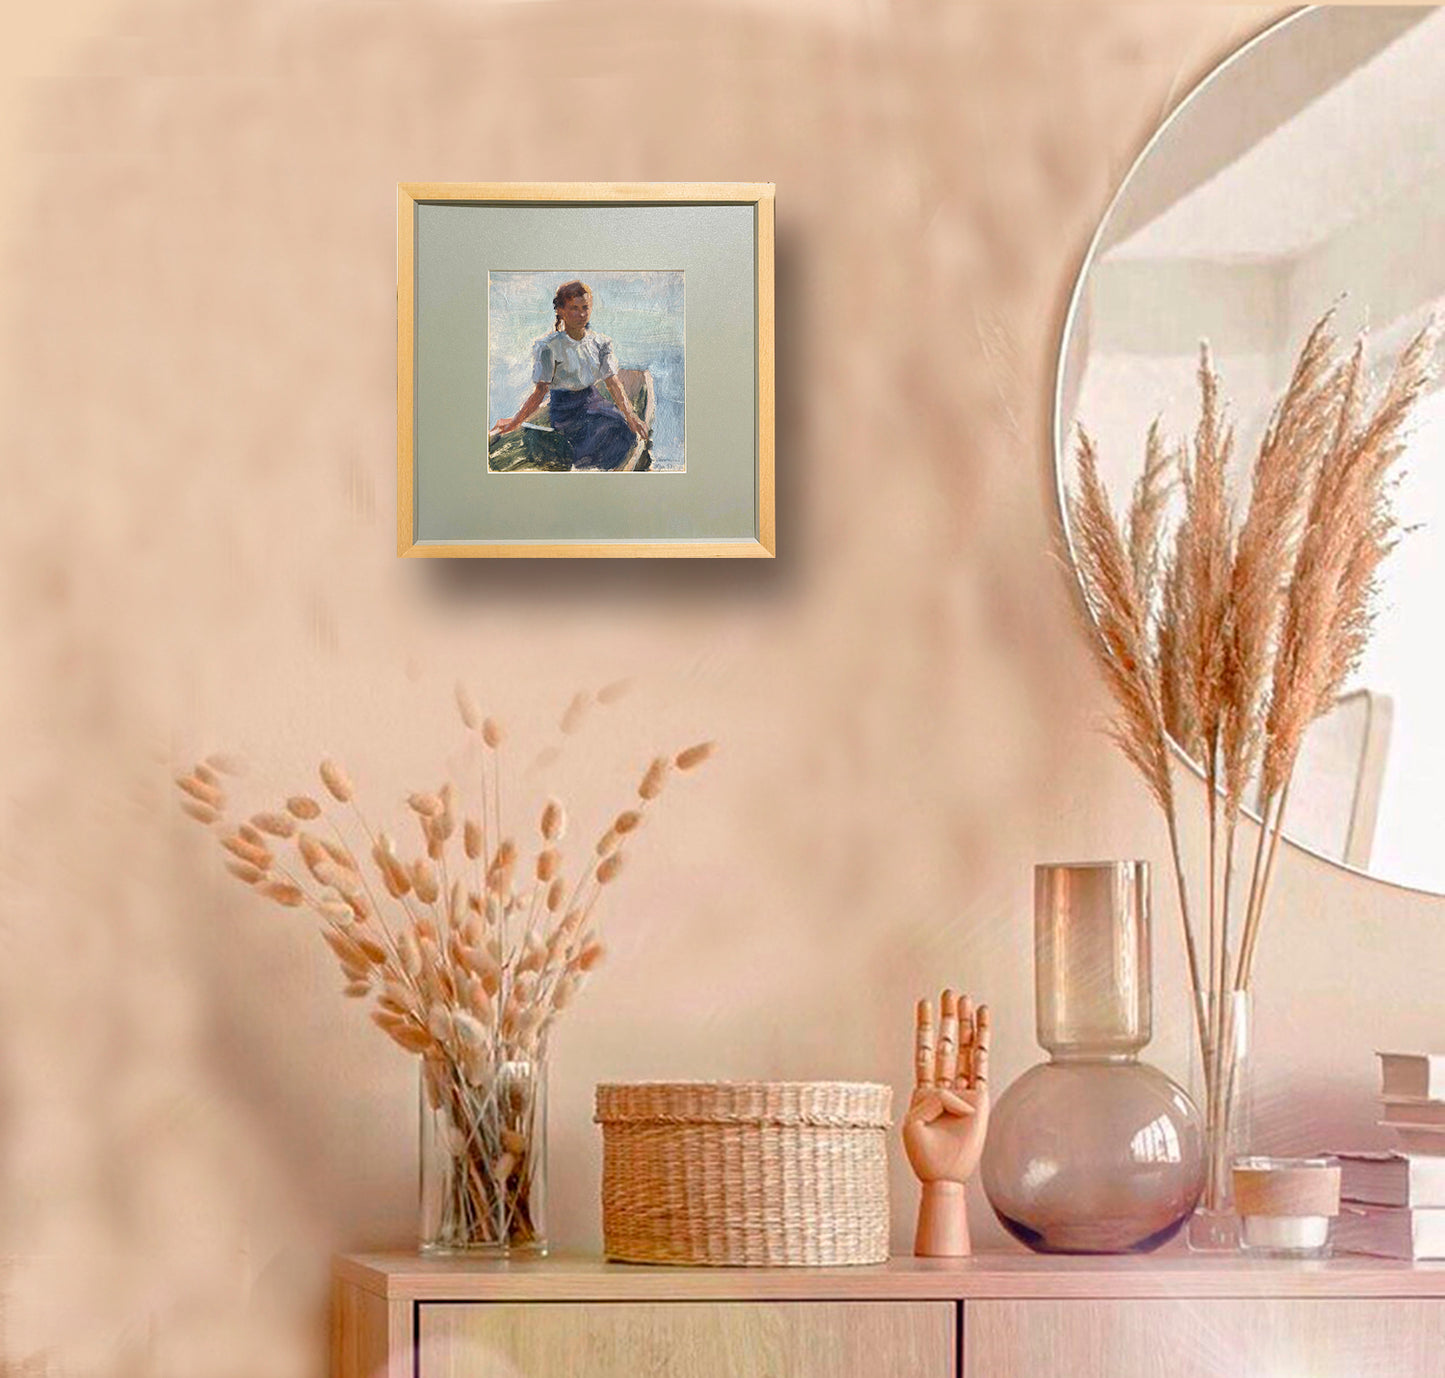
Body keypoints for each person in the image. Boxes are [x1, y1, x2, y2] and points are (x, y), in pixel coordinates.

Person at [491, 280, 649, 470]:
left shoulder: (600, 343)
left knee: (623, 429)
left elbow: (613, 383)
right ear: (560, 311)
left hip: (593, 401)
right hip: (566, 411)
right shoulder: (549, 347)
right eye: (574, 308)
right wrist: (515, 421)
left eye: (585, 307)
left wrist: (632, 416)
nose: (581, 314)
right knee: (597, 433)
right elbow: (540, 392)